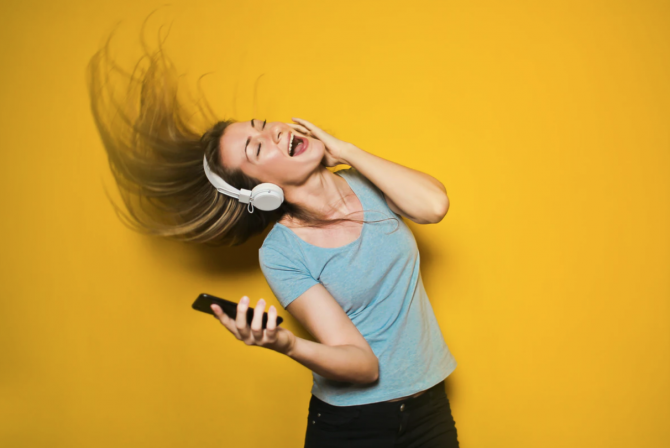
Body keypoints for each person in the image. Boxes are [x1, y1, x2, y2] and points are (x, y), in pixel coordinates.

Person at [87, 30, 459, 448]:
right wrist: (284, 343)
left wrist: (348, 150)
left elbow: (434, 206)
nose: (274, 134)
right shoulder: (281, 252)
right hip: (354, 427)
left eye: (264, 126)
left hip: (430, 406)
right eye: (256, 149)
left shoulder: (368, 181)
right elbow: (363, 366)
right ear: (260, 192)